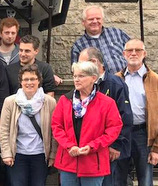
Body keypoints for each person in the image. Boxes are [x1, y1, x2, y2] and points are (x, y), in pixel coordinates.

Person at [52, 61, 122, 186]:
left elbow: (113, 129)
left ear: (93, 78)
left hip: (93, 163)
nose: (76, 79)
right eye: (75, 76)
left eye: (81, 76)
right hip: (68, 161)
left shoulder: (107, 103)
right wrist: (69, 146)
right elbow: (57, 127)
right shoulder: (64, 100)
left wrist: (92, 146)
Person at [77, 47, 133, 186]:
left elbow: (124, 117)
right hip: (90, 150)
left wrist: (115, 145)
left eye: (81, 63)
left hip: (110, 150)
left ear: (93, 62)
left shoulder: (115, 84)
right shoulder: (81, 85)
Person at [0, 64, 58, 186]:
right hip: (18, 155)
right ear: (20, 81)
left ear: (39, 81)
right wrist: (6, 153)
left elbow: (54, 131)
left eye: (33, 79)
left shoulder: (49, 102)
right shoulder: (10, 102)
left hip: (40, 155)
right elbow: (4, 130)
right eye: (26, 79)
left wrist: (52, 155)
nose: (29, 82)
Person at [115, 39, 158, 186]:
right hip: (120, 135)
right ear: (124, 54)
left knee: (145, 180)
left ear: (144, 53)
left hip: (143, 134)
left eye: (138, 50)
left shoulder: (155, 80)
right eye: (130, 50)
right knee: (118, 179)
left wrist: (156, 148)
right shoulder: (116, 79)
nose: (134, 53)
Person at [71, 5, 130, 74]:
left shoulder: (117, 33)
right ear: (83, 22)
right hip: (99, 83)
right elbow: (76, 71)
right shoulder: (78, 46)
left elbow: (135, 51)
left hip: (126, 79)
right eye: (91, 19)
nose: (95, 21)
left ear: (102, 20)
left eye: (98, 18)